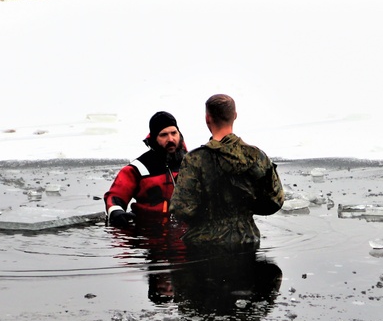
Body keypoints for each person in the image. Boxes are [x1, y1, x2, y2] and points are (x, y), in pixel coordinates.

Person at [170, 94, 284, 248]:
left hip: (204, 244)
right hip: (247, 239)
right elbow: (275, 201)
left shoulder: (195, 159)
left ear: (207, 118)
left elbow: (181, 209)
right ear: (235, 116)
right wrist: (246, 208)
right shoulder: (257, 156)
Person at [104, 111, 186, 228]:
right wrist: (116, 212)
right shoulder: (139, 168)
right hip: (148, 232)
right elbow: (115, 196)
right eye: (163, 135)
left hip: (187, 235)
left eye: (174, 133)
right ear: (154, 138)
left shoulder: (193, 163)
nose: (171, 139)